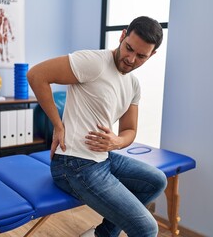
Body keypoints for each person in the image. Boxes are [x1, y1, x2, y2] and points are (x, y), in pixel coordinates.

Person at [27, 16, 167, 237]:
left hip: (103, 158)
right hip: (72, 164)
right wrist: (58, 125)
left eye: (141, 56)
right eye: (129, 48)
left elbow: (130, 130)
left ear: (152, 55)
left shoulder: (133, 84)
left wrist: (117, 141)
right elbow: (36, 75)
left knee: (157, 181)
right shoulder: (94, 62)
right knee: (147, 228)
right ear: (122, 36)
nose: (131, 59)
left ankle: (102, 234)